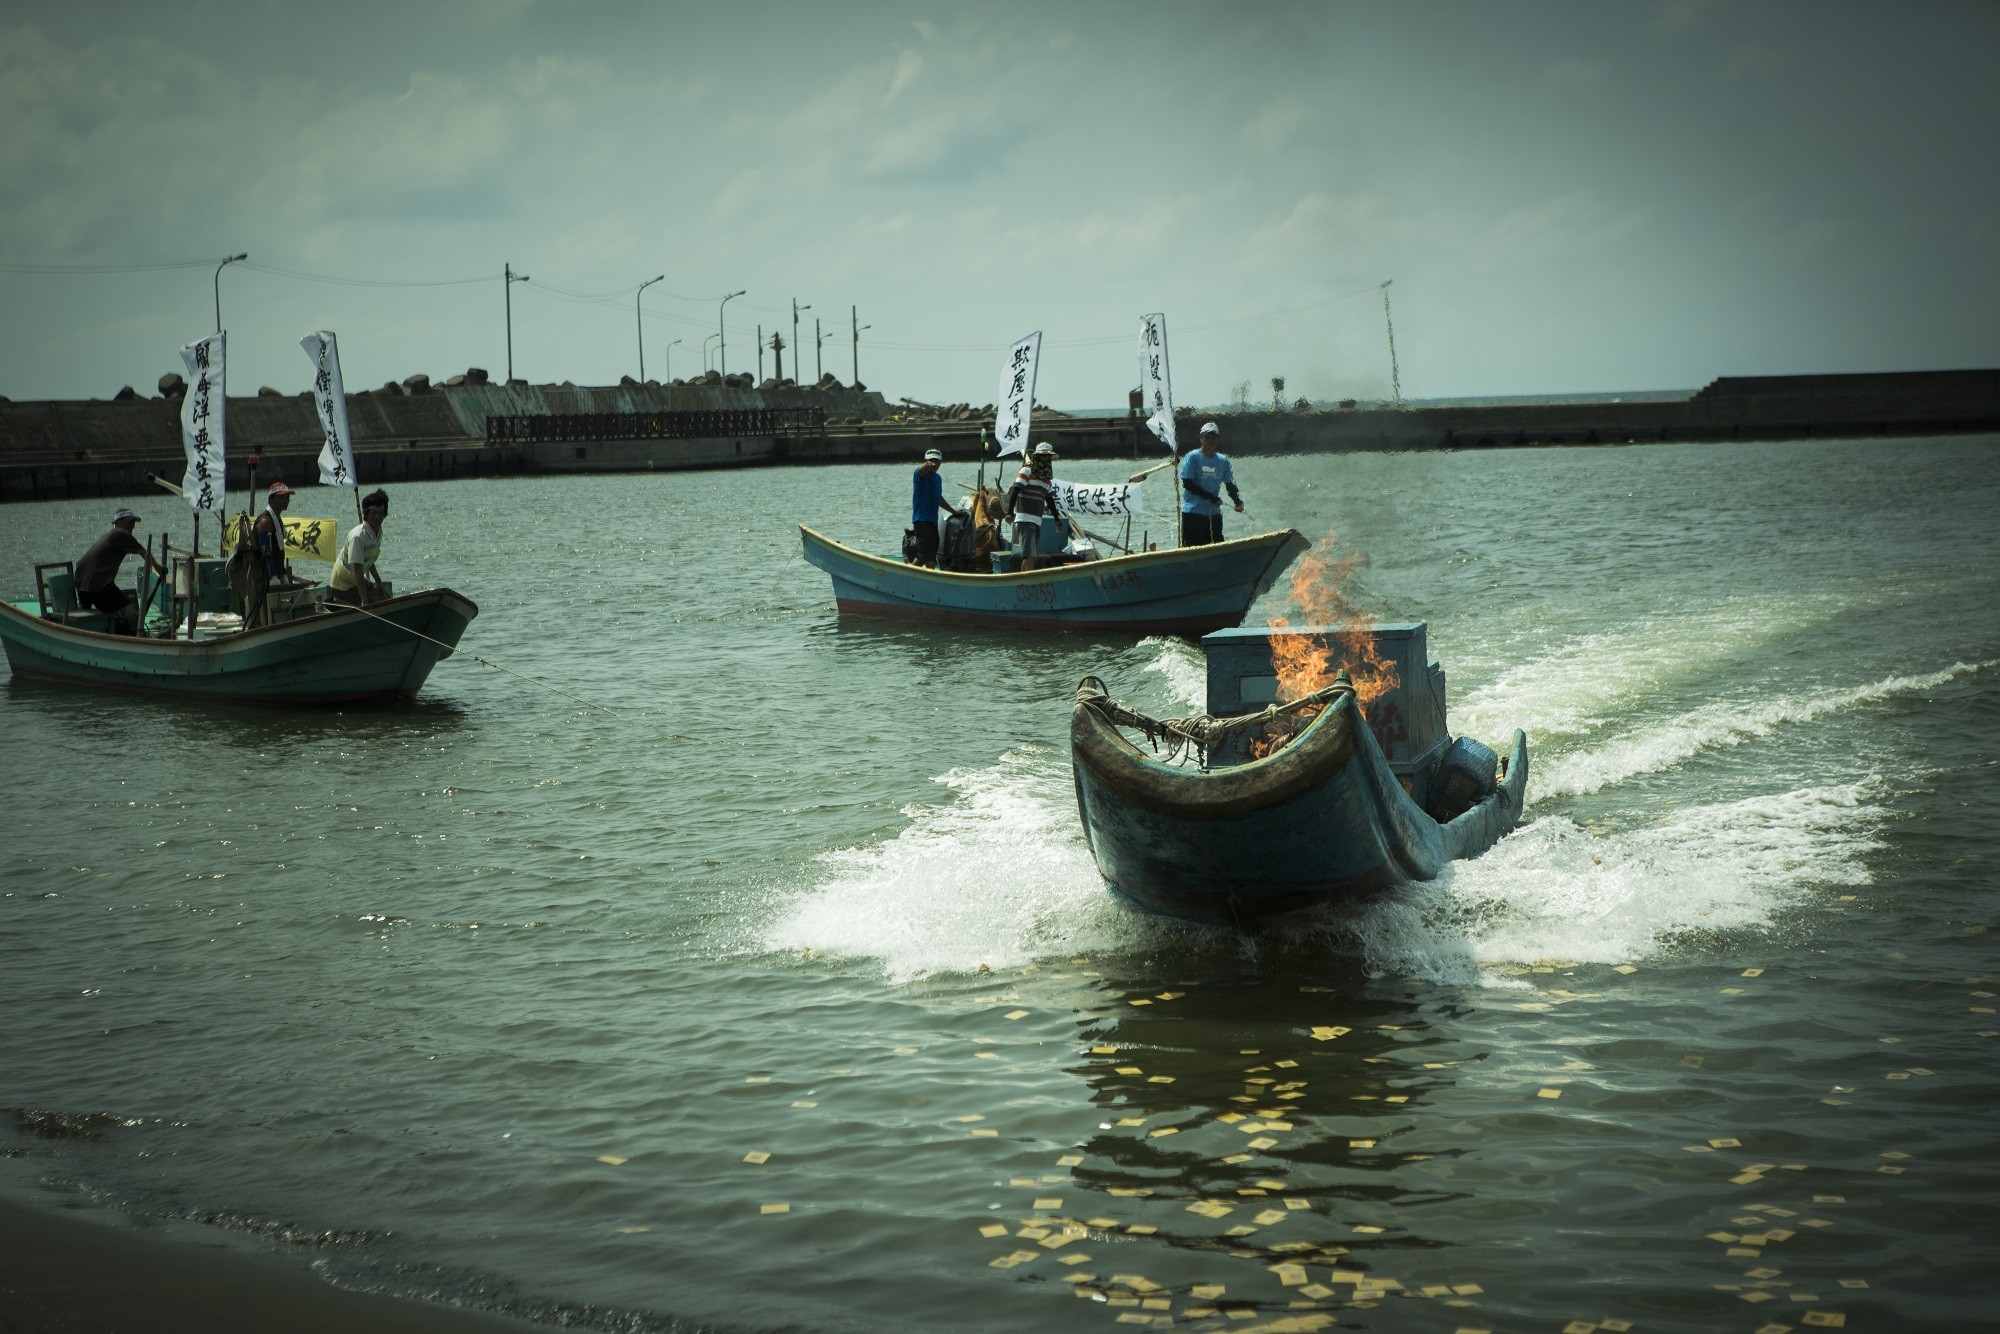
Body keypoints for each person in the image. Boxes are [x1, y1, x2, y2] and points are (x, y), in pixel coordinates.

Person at [73, 508, 167, 634]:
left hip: (81, 579)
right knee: (130, 609)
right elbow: (144, 553)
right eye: (129, 522)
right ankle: (139, 637)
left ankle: (79, 634)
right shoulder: (122, 534)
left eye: (133, 522)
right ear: (118, 523)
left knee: (87, 610)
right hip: (99, 582)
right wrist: (159, 569)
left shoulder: (110, 536)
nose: (132, 525)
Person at [1178, 422, 1243, 546]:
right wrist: (1211, 497)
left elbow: (1229, 484)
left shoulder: (1223, 461)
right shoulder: (1193, 457)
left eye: (1214, 437)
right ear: (1201, 438)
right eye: (1207, 437)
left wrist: (1237, 501)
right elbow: (1187, 483)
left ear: (1218, 440)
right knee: (1193, 549)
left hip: (1214, 514)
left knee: (1218, 546)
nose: (1211, 440)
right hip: (1193, 513)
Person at [1005, 442, 1069, 569]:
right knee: (1029, 556)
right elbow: (1015, 491)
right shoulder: (1026, 471)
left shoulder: (1047, 480)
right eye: (1043, 456)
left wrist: (1057, 519)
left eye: (1048, 457)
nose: (1045, 459)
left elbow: (1050, 501)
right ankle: (1028, 584)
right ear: (1037, 457)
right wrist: (1009, 512)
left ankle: (1023, 582)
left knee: (1031, 556)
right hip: (1025, 520)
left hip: (1036, 521)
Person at [329, 489, 389, 606]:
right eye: (374, 513)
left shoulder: (378, 531)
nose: (378, 517)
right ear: (366, 514)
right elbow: (357, 570)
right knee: (376, 604)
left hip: (356, 582)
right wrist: (364, 600)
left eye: (380, 513)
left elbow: (369, 560)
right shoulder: (358, 537)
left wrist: (379, 582)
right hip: (342, 586)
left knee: (386, 597)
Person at [910, 449, 964, 568]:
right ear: (926, 461)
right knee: (924, 556)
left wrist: (953, 511)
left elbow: (938, 498)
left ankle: (918, 576)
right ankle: (908, 577)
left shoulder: (938, 478)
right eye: (931, 461)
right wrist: (926, 466)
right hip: (922, 520)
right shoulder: (919, 474)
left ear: (940, 463)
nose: (933, 464)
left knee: (929, 555)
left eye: (936, 461)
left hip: (932, 522)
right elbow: (921, 470)